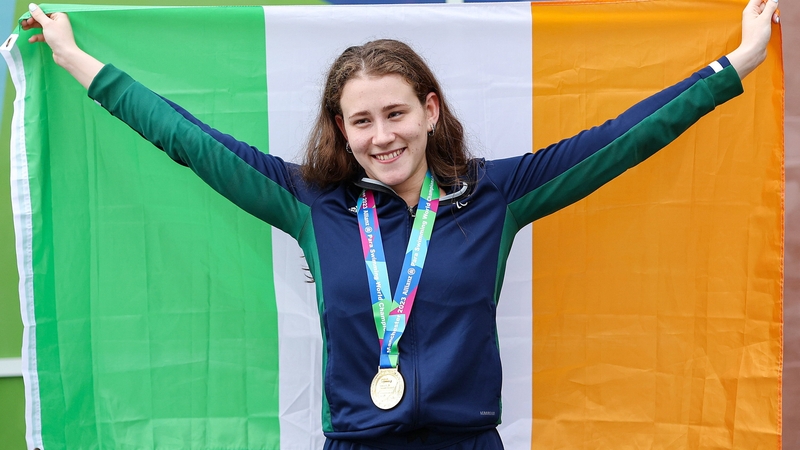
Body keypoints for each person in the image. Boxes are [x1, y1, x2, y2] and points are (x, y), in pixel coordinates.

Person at [22, 1, 779, 448]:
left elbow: (622, 139)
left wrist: (737, 64)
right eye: (362, 120)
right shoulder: (309, 202)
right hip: (357, 442)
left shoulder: (497, 194)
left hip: (468, 441)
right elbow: (185, 139)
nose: (382, 136)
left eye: (396, 113)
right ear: (341, 129)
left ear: (430, 110)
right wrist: (76, 59)